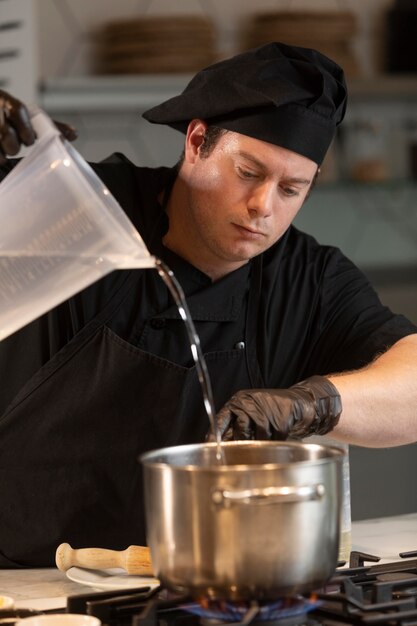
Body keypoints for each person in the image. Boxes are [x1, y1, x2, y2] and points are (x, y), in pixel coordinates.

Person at [0, 42, 416, 568]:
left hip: (203, 586)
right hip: (26, 588)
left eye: (292, 188)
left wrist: (312, 405)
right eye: (248, 172)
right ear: (196, 143)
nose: (263, 207)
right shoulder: (80, 213)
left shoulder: (307, 279)